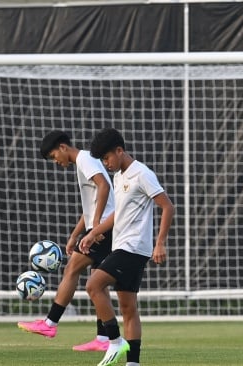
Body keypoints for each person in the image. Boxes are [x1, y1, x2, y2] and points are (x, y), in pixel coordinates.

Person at [79, 127, 174, 366]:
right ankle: (133, 363)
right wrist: (94, 233)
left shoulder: (142, 174)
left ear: (120, 151)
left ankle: (114, 340)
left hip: (133, 249)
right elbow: (118, 215)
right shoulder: (118, 176)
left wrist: (160, 243)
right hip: (122, 246)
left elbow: (167, 207)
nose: (106, 163)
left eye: (107, 158)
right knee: (128, 308)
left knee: (93, 285)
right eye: (102, 160)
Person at [18, 131, 116, 352]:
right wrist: (74, 235)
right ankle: (104, 338)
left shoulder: (84, 159)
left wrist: (97, 226)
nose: (56, 162)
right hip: (105, 226)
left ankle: (50, 323)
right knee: (97, 283)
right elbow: (91, 205)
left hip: (105, 228)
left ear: (63, 147)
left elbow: (104, 187)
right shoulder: (85, 161)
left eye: (54, 156)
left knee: (71, 268)